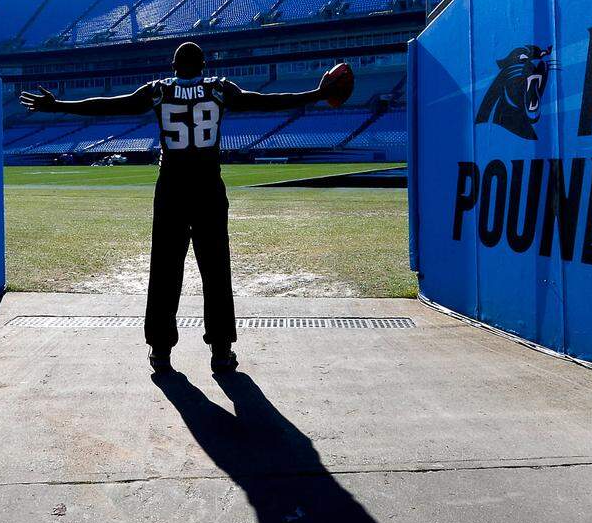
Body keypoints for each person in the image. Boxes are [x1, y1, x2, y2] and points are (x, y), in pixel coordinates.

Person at [20, 42, 354, 373]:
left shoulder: (159, 91)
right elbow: (265, 101)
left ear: (173, 67)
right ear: (204, 66)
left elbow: (110, 106)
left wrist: (58, 105)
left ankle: (161, 350)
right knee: (215, 268)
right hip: (208, 185)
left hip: (172, 188)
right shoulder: (220, 89)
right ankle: (221, 351)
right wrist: (315, 94)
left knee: (165, 268)